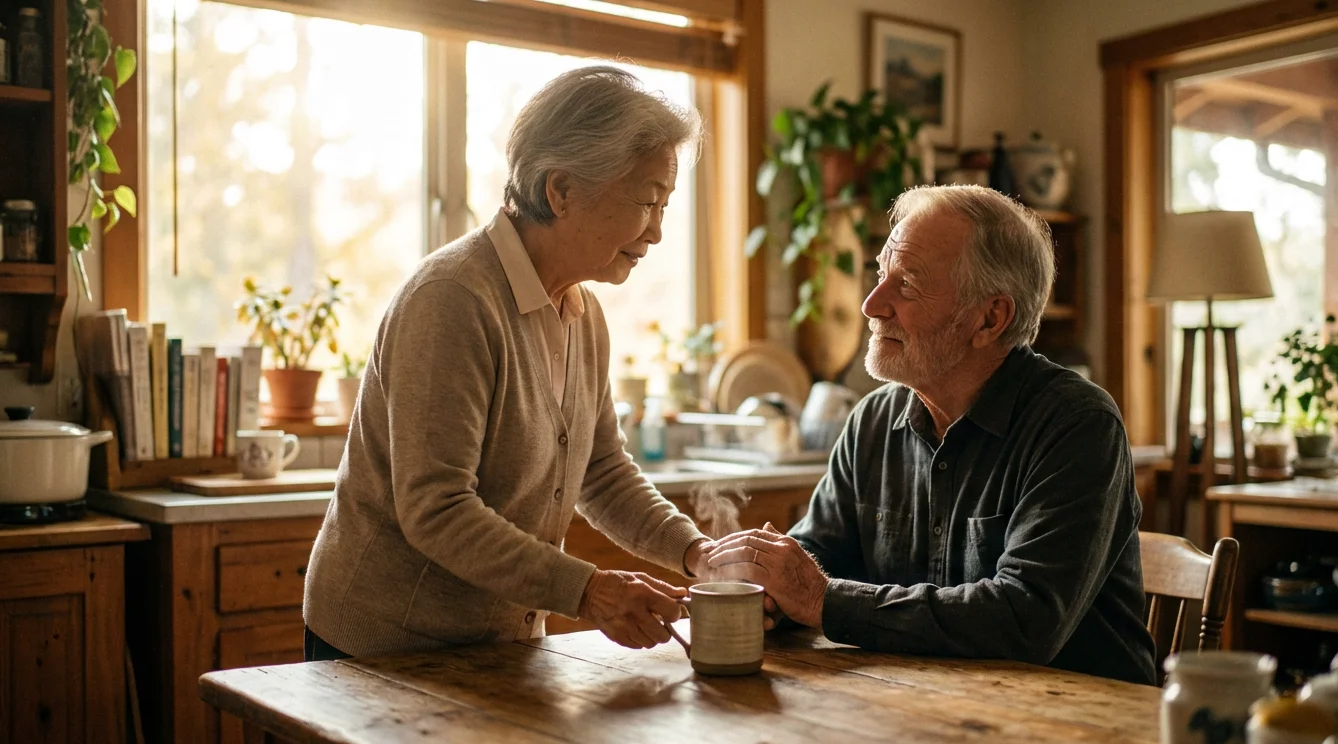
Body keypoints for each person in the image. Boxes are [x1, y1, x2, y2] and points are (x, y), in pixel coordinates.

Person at [302, 66, 713, 660]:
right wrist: (589, 592)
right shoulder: (452, 298)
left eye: (666, 205)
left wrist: (696, 552)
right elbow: (437, 508)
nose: (656, 231)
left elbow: (601, 472)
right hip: (383, 647)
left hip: (495, 646)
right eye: (647, 202)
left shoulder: (583, 313)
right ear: (561, 191)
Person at [705, 185, 1157, 685]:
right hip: (924, 706)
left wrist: (819, 600)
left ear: (990, 318)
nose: (872, 305)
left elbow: (1024, 619)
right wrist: (768, 591)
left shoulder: (1077, 424)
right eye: (881, 275)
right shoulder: (871, 421)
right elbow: (819, 557)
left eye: (908, 284)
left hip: (1084, 730)